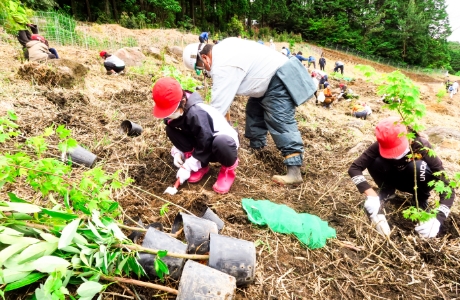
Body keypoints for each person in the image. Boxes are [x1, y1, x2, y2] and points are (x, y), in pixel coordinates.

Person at [182, 39, 317, 185]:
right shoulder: (223, 48)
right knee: (254, 112)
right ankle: (257, 149)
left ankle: (294, 171)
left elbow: (216, 111)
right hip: (267, 80)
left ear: (204, 58)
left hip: (279, 78)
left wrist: (199, 138)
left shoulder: (222, 65)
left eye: (200, 68)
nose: (204, 72)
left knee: (279, 120)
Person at [348, 117, 455, 238]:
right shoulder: (380, 145)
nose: (394, 155)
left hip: (416, 182)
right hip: (393, 179)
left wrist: (438, 219)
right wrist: (371, 194)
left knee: (419, 167)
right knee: (375, 161)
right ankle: (387, 191)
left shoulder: (422, 146)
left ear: (408, 136)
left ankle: (420, 199)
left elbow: (447, 186)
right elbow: (354, 168)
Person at [152, 77, 239, 194]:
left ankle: (227, 171)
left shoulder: (196, 114)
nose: (169, 116)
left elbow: (206, 140)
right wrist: (178, 152)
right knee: (171, 130)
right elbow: (187, 133)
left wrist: (188, 165)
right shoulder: (174, 117)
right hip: (201, 143)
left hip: (219, 145)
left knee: (222, 143)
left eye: (171, 111)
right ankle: (201, 165)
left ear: (183, 102)